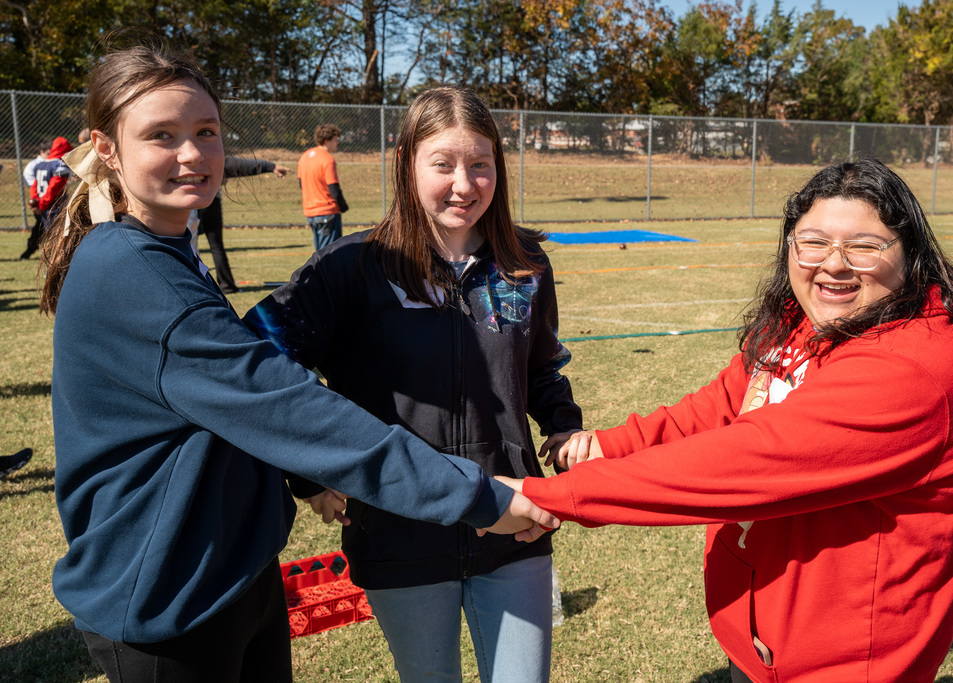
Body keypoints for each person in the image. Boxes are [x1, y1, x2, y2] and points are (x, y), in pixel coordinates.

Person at [39, 43, 556, 683]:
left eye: (206, 132)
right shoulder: (132, 272)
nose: (193, 154)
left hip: (231, 575)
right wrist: (473, 493)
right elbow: (283, 402)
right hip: (169, 596)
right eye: (161, 136)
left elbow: (541, 366)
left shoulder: (163, 251)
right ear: (108, 148)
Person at [505, 159, 953, 682]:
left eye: (864, 246)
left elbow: (738, 463)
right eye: (813, 242)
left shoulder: (914, 372)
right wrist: (604, 445)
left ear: (909, 254)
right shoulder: (807, 325)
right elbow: (718, 406)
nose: (834, 264)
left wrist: (547, 497)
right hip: (766, 645)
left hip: (845, 663)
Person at [244, 85, 583, 683]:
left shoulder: (525, 264)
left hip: (514, 521)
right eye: (444, 164)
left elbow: (540, 366)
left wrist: (562, 427)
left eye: (481, 165)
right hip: (398, 530)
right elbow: (258, 358)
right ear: (406, 164)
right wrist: (311, 472)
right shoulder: (350, 267)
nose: (465, 183)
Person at [196, 157, 291, 293]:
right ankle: (226, 285)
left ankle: (211, 286)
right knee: (212, 246)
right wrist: (270, 166)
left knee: (196, 245)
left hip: (203, 203)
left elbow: (236, 165)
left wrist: (270, 166)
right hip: (204, 204)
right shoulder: (207, 153)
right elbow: (234, 165)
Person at [297, 123, 347, 250]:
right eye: (335, 140)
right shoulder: (328, 159)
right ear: (326, 141)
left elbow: (301, 184)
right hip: (327, 212)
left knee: (319, 255)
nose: (337, 143)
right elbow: (333, 188)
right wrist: (343, 205)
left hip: (310, 212)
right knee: (329, 256)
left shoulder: (304, 157)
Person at [28, 135, 72, 234]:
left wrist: (36, 203)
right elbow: (54, 187)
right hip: (54, 206)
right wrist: (42, 205)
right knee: (60, 236)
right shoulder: (59, 165)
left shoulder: (40, 165)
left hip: (43, 206)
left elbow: (34, 186)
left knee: (50, 234)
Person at [19, 139, 50, 260]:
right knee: (40, 227)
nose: (49, 156)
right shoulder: (33, 165)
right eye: (48, 153)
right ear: (41, 151)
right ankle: (29, 250)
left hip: (52, 201)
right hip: (40, 202)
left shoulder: (54, 162)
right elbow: (31, 184)